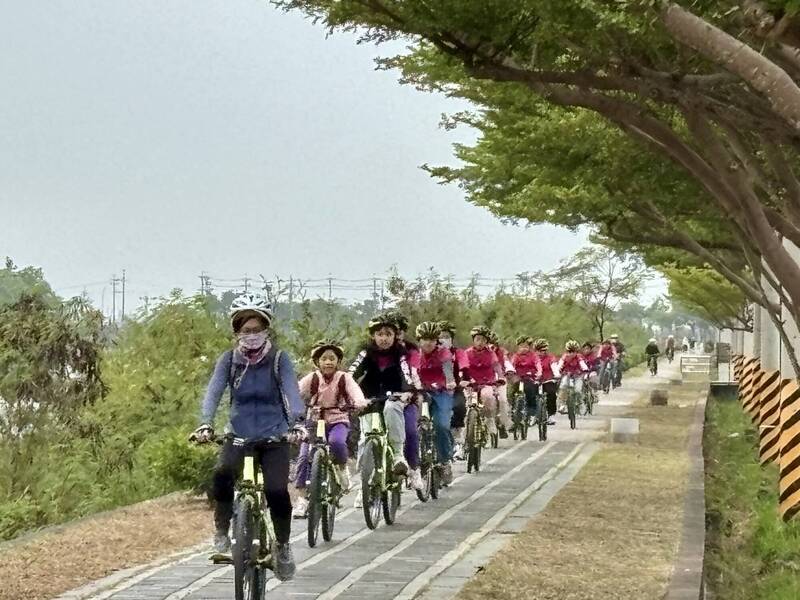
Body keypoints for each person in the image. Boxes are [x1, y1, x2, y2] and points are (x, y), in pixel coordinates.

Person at [191, 293, 305, 581]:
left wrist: (297, 423)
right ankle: (221, 529)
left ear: (266, 329)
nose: (251, 335)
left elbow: (292, 391)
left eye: (256, 329)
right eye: (245, 330)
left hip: (274, 436)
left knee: (277, 491)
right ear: (236, 332)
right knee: (222, 474)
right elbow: (213, 392)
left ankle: (282, 546)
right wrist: (205, 423)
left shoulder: (279, 359)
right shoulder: (229, 360)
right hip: (239, 435)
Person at [292, 339, 367, 519]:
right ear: (317, 362)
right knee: (304, 457)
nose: (328, 362)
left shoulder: (343, 378)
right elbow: (295, 392)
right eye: (324, 359)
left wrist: (359, 402)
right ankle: (301, 499)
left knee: (337, 442)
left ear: (338, 361)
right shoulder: (312, 378)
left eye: (332, 358)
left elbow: (355, 391)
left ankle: (341, 469)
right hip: (314, 421)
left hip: (337, 420)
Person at [348, 313, 423, 492]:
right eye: (379, 334)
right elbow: (350, 374)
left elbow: (406, 375)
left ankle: (401, 458)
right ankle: (365, 487)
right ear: (373, 336)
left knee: (409, 430)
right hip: (371, 399)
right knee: (365, 438)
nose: (384, 338)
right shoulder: (366, 352)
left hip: (398, 399)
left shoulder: (401, 353)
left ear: (395, 336)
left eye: (388, 334)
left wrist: (407, 392)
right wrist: (347, 393)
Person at [415, 321, 456, 485]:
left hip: (441, 392)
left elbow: (447, 369)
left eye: (432, 339)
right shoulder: (414, 355)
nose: (428, 343)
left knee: (441, 425)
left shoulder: (443, 353)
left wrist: (450, 381)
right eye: (425, 339)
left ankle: (445, 461)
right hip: (420, 393)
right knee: (413, 425)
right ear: (419, 340)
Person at [464, 326, 511, 437]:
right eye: (478, 339)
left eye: (483, 340)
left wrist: (501, 377)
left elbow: (496, 365)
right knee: (466, 405)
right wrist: (461, 379)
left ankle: (490, 420)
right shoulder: (467, 353)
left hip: (486, 383)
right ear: (473, 340)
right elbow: (462, 367)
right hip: (470, 384)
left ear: (486, 342)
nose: (480, 342)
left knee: (488, 397)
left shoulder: (490, 353)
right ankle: (465, 432)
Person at [439, 320, 470, 461]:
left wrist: (465, 378)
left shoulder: (458, 353)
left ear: (451, 339)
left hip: (455, 388)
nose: (443, 339)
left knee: (459, 407)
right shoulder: (432, 353)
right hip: (436, 389)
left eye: (446, 337)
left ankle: (458, 443)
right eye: (440, 337)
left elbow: (464, 365)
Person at [487, 330, 513, 439]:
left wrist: (510, 369)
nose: (491, 346)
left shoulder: (501, 353)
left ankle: (503, 423)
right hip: (485, 381)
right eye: (488, 343)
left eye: (493, 344)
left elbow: (506, 362)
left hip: (499, 380)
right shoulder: (479, 352)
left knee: (502, 400)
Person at [511, 336, 542, 425]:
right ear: (518, 347)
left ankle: (532, 413)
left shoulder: (533, 356)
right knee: (512, 391)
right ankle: (513, 411)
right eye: (521, 346)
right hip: (518, 377)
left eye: (526, 346)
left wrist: (539, 372)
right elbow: (511, 366)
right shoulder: (516, 356)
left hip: (530, 377)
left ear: (529, 347)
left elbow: (538, 364)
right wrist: (510, 372)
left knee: (530, 391)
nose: (523, 349)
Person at [557, 340, 590, 411]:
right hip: (567, 375)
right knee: (563, 386)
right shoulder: (564, 357)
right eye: (570, 351)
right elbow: (560, 364)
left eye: (574, 351)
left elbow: (582, 363)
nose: (571, 353)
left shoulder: (579, 357)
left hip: (578, 375)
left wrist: (585, 369)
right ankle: (562, 404)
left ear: (576, 351)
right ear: (567, 351)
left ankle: (579, 402)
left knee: (578, 390)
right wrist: (557, 371)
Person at [534, 338, 559, 426]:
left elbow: (554, 366)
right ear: (536, 350)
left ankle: (551, 415)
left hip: (548, 380)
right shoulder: (533, 358)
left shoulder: (550, 357)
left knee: (551, 394)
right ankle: (532, 415)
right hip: (535, 380)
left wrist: (556, 374)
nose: (542, 352)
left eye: (544, 350)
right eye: (540, 350)